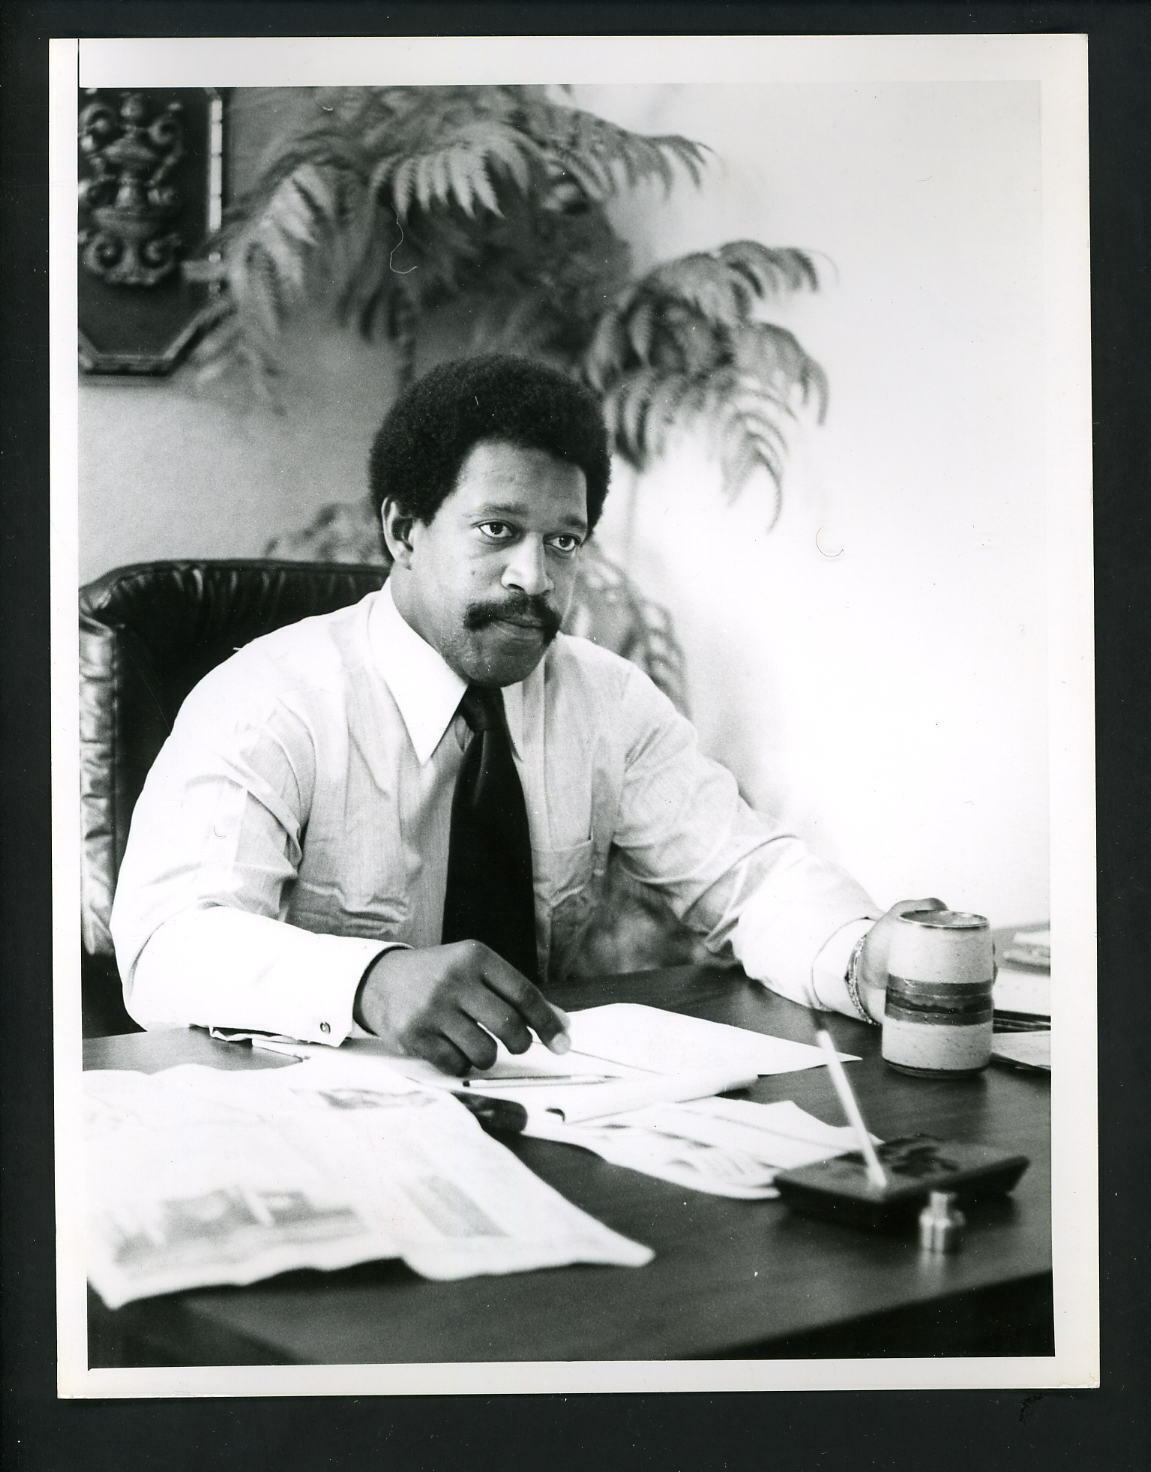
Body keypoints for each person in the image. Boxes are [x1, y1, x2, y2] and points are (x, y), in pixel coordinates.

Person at [111, 355, 941, 1075]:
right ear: (404, 529)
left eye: (563, 542)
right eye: (497, 530)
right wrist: (370, 979)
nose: (534, 578)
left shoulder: (603, 700)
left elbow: (747, 881)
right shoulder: (271, 697)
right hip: (311, 1123)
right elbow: (168, 947)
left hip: (537, 1111)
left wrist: (867, 958)